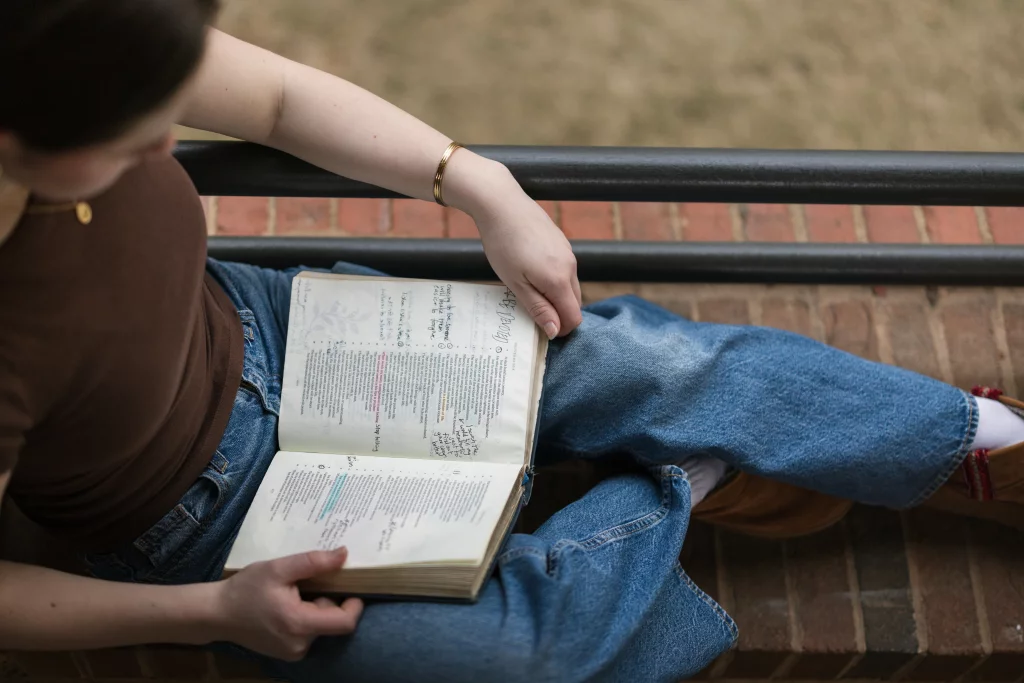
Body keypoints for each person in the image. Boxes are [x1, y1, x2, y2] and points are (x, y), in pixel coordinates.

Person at [1, 2, 1021, 682]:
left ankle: (989, 443)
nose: (163, 142)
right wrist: (217, 612)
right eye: (129, 132)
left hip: (297, 334)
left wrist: (482, 186)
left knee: (654, 366)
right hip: (201, 527)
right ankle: (696, 474)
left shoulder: (66, 33)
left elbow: (274, 98)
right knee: (519, 659)